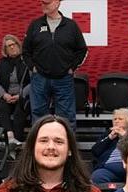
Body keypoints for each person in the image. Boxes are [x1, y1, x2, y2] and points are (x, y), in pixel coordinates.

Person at [23, 0, 88, 129]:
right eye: (42, 3)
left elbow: (82, 50)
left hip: (64, 79)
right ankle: (40, 146)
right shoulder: (35, 25)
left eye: (47, 3)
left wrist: (72, 68)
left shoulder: (71, 25)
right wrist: (33, 67)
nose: (44, 5)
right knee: (38, 115)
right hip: (39, 78)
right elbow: (25, 50)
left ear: (57, 3)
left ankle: (67, 147)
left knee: (66, 117)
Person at [0, 34, 30, 146]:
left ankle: (16, 141)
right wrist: (4, 95)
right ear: (5, 50)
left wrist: (20, 95)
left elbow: (34, 82)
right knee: (0, 104)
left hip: (22, 96)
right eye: (8, 46)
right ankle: (10, 135)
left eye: (13, 44)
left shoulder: (27, 61)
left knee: (20, 110)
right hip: (7, 96)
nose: (12, 47)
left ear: (18, 45)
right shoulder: (0, 63)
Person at [90, 108, 128, 185]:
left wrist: (124, 136)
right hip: (108, 168)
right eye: (115, 119)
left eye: (120, 119)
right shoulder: (108, 134)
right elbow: (95, 151)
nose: (116, 121)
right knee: (97, 177)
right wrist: (110, 138)